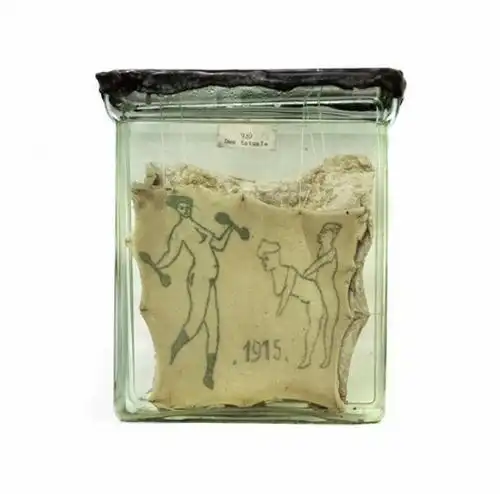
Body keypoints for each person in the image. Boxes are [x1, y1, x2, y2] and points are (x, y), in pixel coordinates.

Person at [155, 195, 236, 389]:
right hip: (199, 279)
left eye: (187, 206)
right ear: (177, 209)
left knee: (214, 329)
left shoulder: (197, 225)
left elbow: (218, 245)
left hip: (210, 280)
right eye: (181, 207)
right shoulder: (180, 230)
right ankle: (171, 356)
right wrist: (156, 267)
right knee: (195, 323)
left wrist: (230, 228)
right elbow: (171, 254)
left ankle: (208, 375)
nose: (185, 210)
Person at [257, 239, 326, 369]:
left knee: (313, 327)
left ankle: (308, 358)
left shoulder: (289, 272)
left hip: (314, 296)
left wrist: (277, 315)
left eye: (266, 259)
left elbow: (285, 296)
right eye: (262, 259)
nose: (263, 262)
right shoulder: (275, 274)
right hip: (304, 299)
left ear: (274, 258)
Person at [303, 223, 342, 368]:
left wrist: (306, 273)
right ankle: (308, 358)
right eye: (323, 233)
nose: (322, 236)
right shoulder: (321, 250)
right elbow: (319, 273)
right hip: (319, 293)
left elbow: (318, 264)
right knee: (313, 326)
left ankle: (327, 359)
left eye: (326, 234)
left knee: (328, 329)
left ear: (331, 236)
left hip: (330, 297)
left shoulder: (331, 253)